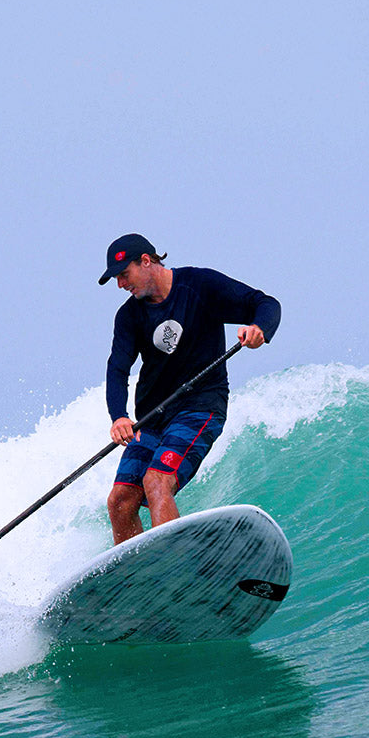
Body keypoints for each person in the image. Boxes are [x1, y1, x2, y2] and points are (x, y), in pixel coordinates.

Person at [98, 233, 281, 544]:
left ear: (146, 261)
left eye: (123, 275)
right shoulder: (129, 315)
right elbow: (117, 368)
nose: (120, 285)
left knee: (157, 481)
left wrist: (259, 329)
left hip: (200, 407)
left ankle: (174, 560)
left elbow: (263, 303)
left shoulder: (199, 286)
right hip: (152, 418)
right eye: (116, 279)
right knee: (119, 501)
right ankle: (140, 577)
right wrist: (118, 416)